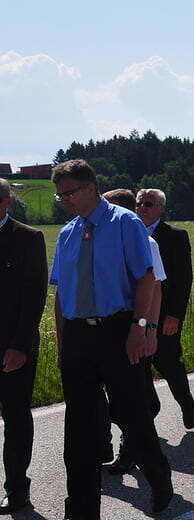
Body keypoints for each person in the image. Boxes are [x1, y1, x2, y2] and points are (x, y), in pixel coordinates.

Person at [49, 160, 173, 518]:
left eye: (69, 192)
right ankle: (81, 510)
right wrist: (61, 345)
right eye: (61, 195)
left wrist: (140, 327)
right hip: (77, 336)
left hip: (117, 330)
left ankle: (158, 475)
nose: (65, 200)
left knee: (133, 415)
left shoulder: (125, 223)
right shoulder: (67, 233)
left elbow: (147, 278)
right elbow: (61, 294)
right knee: (80, 430)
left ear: (91, 188)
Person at [98, 188, 167, 477]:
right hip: (104, 332)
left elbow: (155, 288)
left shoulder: (145, 241)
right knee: (116, 396)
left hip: (132, 329)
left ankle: (131, 451)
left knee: (130, 397)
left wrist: (149, 330)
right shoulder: (99, 240)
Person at [0, 179, 46, 515]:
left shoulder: (27, 238)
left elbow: (34, 298)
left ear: (6, 202)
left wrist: (20, 346)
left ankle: (17, 490)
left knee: (15, 417)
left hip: (13, 347)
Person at [135, 188, 194, 431]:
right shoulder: (129, 234)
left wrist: (175, 315)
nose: (142, 208)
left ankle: (185, 401)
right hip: (137, 315)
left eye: (148, 204)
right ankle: (150, 407)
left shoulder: (175, 236)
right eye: (139, 204)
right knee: (140, 362)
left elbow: (183, 279)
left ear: (161, 208)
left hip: (164, 313)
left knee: (167, 361)